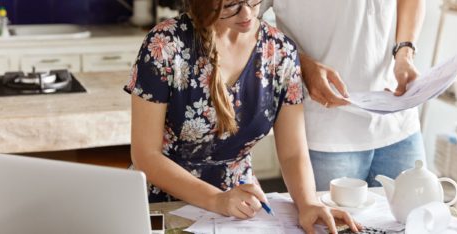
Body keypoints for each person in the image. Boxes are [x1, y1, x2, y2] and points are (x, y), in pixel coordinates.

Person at [124, 0, 360, 232]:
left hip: (242, 205)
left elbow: (292, 152)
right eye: (231, 5)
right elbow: (146, 155)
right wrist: (217, 200)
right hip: (163, 201)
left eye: (253, 0)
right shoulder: (164, 45)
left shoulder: (281, 52)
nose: (247, 13)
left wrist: (308, 203)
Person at [259, 0, 427, 191]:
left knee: (417, 217)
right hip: (326, 132)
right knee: (333, 220)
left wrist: (405, 52)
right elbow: (243, 18)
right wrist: (302, 65)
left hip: (398, 122)